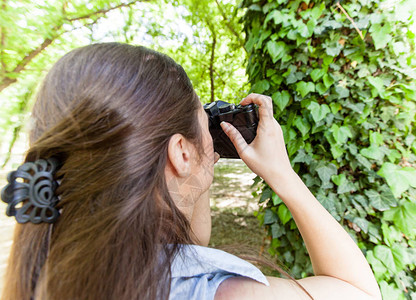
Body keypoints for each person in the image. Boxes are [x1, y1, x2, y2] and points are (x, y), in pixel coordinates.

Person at [1, 43, 381, 300]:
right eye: (204, 118)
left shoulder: (47, 266)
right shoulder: (216, 289)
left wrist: (193, 167)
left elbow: (187, 244)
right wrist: (281, 173)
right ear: (180, 151)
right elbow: (358, 291)